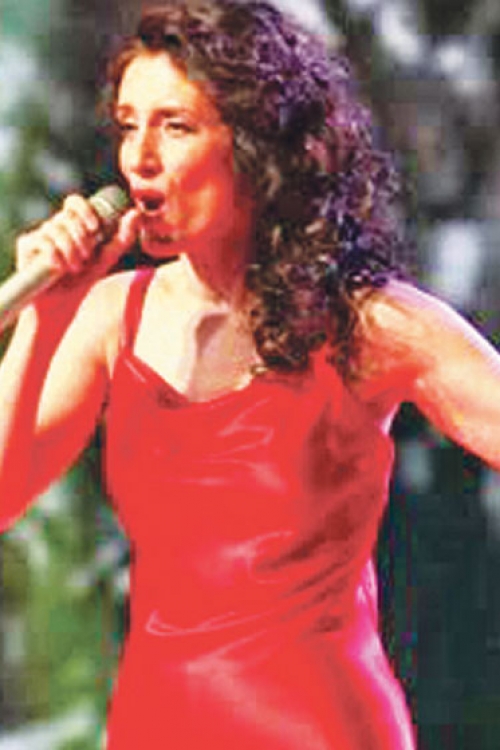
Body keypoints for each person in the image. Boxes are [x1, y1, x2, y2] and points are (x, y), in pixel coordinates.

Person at [1, 0, 499, 747]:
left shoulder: (368, 324)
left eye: (175, 126)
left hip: (315, 725)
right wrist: (44, 318)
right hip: (155, 722)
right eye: (129, 126)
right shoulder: (109, 315)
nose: (139, 159)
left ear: (257, 144)